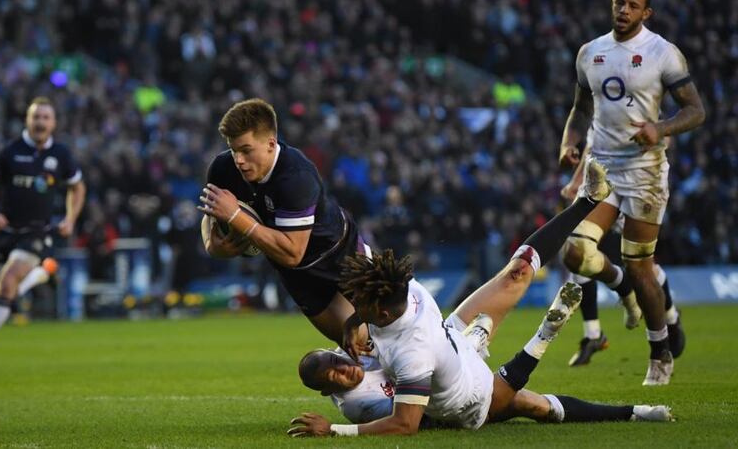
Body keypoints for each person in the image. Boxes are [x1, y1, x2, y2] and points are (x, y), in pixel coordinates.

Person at [286, 158, 673, 437]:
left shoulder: (400, 304)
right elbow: (408, 423)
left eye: (362, 308)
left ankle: (588, 201)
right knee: (534, 406)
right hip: (468, 399)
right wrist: (338, 427)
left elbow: (374, 323)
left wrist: (354, 325)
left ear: (384, 307)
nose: (355, 311)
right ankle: (633, 411)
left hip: (447, 336)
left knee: (518, 271)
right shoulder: (407, 340)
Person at [557, 0, 705, 385]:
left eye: (633, 5)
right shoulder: (590, 52)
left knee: (641, 267)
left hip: (645, 172)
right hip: (601, 169)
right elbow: (581, 109)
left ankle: (660, 352)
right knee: (574, 253)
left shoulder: (663, 53)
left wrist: (662, 128)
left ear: (646, 13)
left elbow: (696, 110)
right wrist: (569, 142)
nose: (623, 9)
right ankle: (621, 287)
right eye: (619, 2)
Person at [296, 312, 671, 430]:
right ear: (329, 392)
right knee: (532, 405)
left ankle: (470, 342)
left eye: (338, 362)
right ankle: (540, 336)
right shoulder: (358, 406)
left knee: (528, 403)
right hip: (449, 409)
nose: (345, 370)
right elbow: (413, 417)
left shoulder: (359, 355)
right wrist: (334, 431)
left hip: (446, 372)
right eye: (335, 376)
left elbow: (396, 341)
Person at [199, 98, 369, 345]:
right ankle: (378, 382)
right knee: (357, 344)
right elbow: (212, 213)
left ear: (270, 143)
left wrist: (236, 216)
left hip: (339, 252)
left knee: (389, 325)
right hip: (295, 273)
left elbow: (293, 251)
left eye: (246, 150)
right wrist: (211, 243)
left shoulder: (296, 176)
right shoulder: (223, 169)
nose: (239, 160)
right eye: (234, 150)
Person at [0, 97, 85, 367]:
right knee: (2, 293)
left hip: (37, 231)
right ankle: (42, 274)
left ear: (54, 123)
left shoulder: (60, 155)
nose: (40, 123)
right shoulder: (10, 151)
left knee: (9, 280)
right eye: (36, 117)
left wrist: (71, 218)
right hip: (6, 233)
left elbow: (78, 187)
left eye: (46, 118)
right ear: (27, 120)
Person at [560, 156, 684, 367]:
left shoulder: (635, 125)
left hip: (635, 182)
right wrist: (570, 154)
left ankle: (671, 317)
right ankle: (593, 334)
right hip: (601, 183)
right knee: (578, 252)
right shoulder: (597, 126)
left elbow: (665, 137)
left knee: (642, 266)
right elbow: (589, 136)